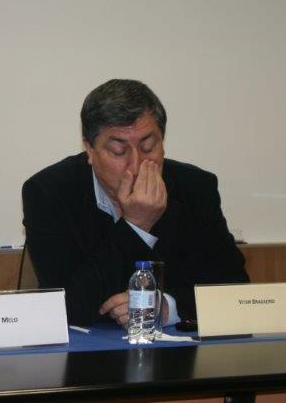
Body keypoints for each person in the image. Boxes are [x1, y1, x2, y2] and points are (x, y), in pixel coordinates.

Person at [22, 79, 248, 327]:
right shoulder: (48, 192)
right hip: (89, 347)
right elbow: (65, 306)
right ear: (89, 149)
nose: (137, 164)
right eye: (119, 151)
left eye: (148, 147)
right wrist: (135, 225)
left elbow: (234, 288)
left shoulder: (195, 188)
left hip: (178, 347)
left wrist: (167, 307)